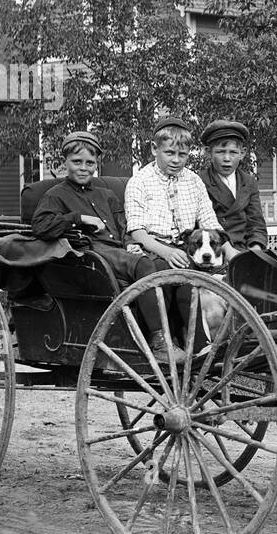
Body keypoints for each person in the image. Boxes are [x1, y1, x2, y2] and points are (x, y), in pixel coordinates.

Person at [30, 131, 181, 364]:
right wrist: (78, 218)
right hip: (90, 253)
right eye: (76, 162)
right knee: (144, 265)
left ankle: (170, 336)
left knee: (161, 265)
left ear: (96, 164)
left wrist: (132, 244)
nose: (83, 168)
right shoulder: (55, 196)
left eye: (90, 163)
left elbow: (124, 228)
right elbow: (40, 226)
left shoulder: (107, 195)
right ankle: (159, 342)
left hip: (119, 251)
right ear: (64, 163)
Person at [125, 115, 234, 351]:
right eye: (170, 153)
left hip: (184, 249)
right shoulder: (140, 181)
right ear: (155, 149)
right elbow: (137, 231)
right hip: (151, 248)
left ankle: (203, 344)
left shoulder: (193, 181)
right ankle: (162, 339)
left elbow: (208, 220)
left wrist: (230, 251)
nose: (176, 160)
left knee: (199, 279)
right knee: (169, 273)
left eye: (182, 155)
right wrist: (166, 251)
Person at [198, 118, 268, 251]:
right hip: (213, 250)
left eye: (233, 152)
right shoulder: (199, 181)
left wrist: (256, 248)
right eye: (220, 152)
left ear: (243, 153)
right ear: (208, 152)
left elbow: (256, 223)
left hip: (245, 249)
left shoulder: (249, 182)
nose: (227, 159)